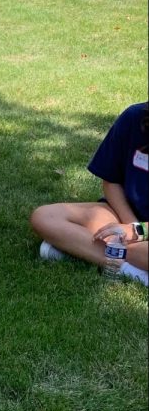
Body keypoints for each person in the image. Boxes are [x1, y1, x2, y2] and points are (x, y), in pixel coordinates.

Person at [30, 102, 148, 285]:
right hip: (122, 215)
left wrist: (139, 231)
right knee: (45, 217)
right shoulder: (134, 117)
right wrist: (130, 225)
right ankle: (131, 268)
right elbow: (111, 181)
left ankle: (80, 249)